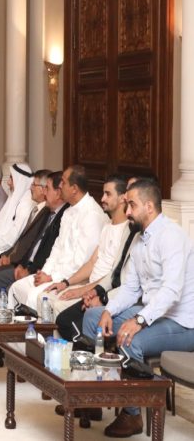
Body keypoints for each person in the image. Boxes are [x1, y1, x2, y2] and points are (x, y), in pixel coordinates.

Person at [83, 178, 194, 437]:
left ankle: (132, 415)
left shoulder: (172, 236)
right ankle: (99, 394)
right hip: (150, 312)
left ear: (149, 206)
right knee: (92, 318)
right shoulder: (138, 240)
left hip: (181, 322)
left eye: (131, 205)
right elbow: (131, 289)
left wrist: (140, 320)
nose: (128, 211)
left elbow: (172, 291)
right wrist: (109, 311)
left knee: (129, 338)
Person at [7, 165, 108, 310]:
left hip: (71, 279)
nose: (60, 185)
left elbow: (81, 262)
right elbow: (57, 248)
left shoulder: (92, 215)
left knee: (34, 296)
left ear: (74, 189)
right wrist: (45, 272)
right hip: (53, 273)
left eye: (64, 182)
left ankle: (29, 324)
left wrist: (52, 277)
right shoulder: (68, 211)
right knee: (16, 288)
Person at [42, 174, 132, 327]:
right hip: (91, 286)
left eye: (108, 194)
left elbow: (113, 277)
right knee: (49, 297)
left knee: (59, 309)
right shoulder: (107, 227)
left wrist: (84, 291)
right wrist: (65, 283)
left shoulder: (127, 231)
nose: (102, 199)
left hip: (103, 292)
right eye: (103, 193)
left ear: (123, 198)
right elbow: (91, 263)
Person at [0, 171, 69, 297]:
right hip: (26, 265)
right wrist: (21, 265)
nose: (44, 192)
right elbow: (30, 243)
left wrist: (28, 270)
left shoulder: (62, 216)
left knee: (6, 287)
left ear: (58, 193)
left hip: (39, 270)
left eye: (47, 188)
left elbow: (48, 251)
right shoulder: (47, 211)